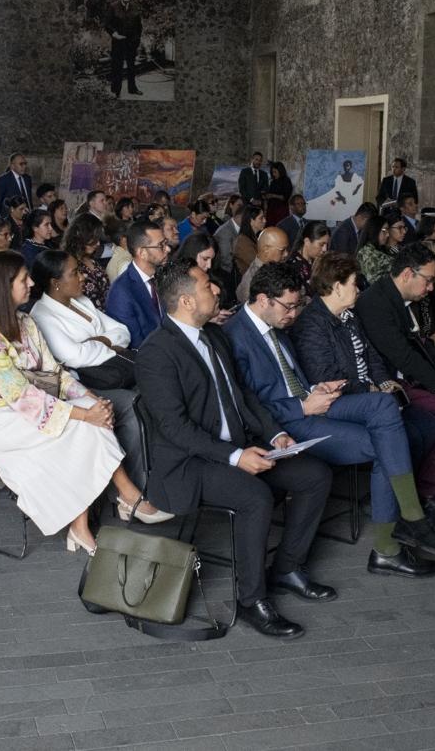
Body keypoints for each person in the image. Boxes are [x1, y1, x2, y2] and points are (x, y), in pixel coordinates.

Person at [136, 259, 334, 639]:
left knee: (315, 475)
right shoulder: (156, 352)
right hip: (190, 463)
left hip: (236, 446)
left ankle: (287, 568)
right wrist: (235, 457)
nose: (216, 290)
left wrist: (274, 434)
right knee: (255, 497)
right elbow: (175, 428)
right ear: (186, 301)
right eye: (207, 286)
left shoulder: (213, 335)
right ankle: (250, 600)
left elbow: (242, 394)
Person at [228, 261, 435, 571]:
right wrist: (303, 406)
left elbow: (292, 377)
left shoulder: (275, 323)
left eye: (296, 305)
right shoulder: (235, 336)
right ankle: (399, 534)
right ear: (263, 299)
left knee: (386, 416)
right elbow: (245, 405)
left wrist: (315, 388)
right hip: (283, 424)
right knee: (387, 436)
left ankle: (399, 534)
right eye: (289, 306)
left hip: (311, 404)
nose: (294, 313)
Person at [0, 250, 162, 553]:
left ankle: (91, 521)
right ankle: (127, 496)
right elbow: (21, 396)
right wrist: (85, 414)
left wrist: (90, 398)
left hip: (35, 404)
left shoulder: (25, 322)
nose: (31, 283)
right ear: (3, 287)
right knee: (85, 427)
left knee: (93, 416)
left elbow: (54, 372)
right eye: (23, 279)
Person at [292, 252, 435, 526]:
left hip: (370, 395)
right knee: (406, 431)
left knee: (427, 425)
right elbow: (325, 377)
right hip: (339, 402)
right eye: (353, 283)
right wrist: (370, 388)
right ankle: (399, 507)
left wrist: (383, 381)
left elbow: (372, 355)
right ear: (337, 287)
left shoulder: (349, 316)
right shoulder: (312, 324)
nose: (358, 289)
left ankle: (406, 496)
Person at [359, 245, 435, 506]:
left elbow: (421, 345)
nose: (430, 287)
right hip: (390, 383)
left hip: (411, 376)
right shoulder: (376, 302)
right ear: (407, 274)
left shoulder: (402, 298)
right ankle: (429, 491)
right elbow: (403, 356)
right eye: (427, 280)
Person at [30, 249, 149, 489]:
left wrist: (97, 342)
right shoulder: (42, 315)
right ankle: (137, 486)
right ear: (55, 283)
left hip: (113, 372)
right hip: (82, 385)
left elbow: (122, 331)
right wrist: (108, 344)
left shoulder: (81, 302)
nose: (83, 276)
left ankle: (158, 471)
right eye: (75, 273)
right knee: (133, 405)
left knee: (157, 392)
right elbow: (75, 356)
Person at [106, 220, 169, 348]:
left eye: (166, 243)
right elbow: (136, 345)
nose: (168, 249)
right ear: (142, 253)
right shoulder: (121, 293)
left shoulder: (163, 275)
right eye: (160, 245)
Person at [63, 212, 112, 310]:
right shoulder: (69, 265)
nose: (98, 243)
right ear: (82, 237)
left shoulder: (90, 258)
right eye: (94, 240)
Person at [105, 0, 143, 98]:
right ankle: (116, 90)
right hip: (118, 42)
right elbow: (107, 24)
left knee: (131, 66)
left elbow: (139, 26)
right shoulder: (113, 7)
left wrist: (137, 40)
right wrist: (114, 34)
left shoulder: (135, 7)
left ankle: (132, 88)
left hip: (131, 42)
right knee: (117, 66)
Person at [236, 226, 289, 305]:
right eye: (282, 250)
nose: (286, 254)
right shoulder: (253, 282)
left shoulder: (275, 267)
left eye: (287, 249)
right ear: (266, 249)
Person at [358, 208, 407, 286]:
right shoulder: (368, 253)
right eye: (384, 231)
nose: (387, 235)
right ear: (375, 230)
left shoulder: (377, 250)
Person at [287, 220, 330, 290]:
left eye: (327, 245)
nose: (325, 249)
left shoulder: (318, 260)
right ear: (307, 241)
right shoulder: (293, 267)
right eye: (321, 244)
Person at [232, 204, 266, 276]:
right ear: (251, 221)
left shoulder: (253, 237)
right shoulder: (242, 242)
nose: (265, 221)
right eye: (261, 218)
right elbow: (259, 265)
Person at [213, 202, 243, 275]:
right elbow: (226, 260)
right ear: (240, 217)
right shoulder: (225, 232)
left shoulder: (237, 227)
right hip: (223, 273)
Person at [264, 161, 293, 227]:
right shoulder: (273, 182)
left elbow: (285, 197)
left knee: (280, 228)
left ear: (280, 171)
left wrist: (272, 195)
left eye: (275, 172)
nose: (273, 174)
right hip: (271, 209)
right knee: (270, 228)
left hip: (281, 210)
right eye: (272, 172)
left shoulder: (286, 181)